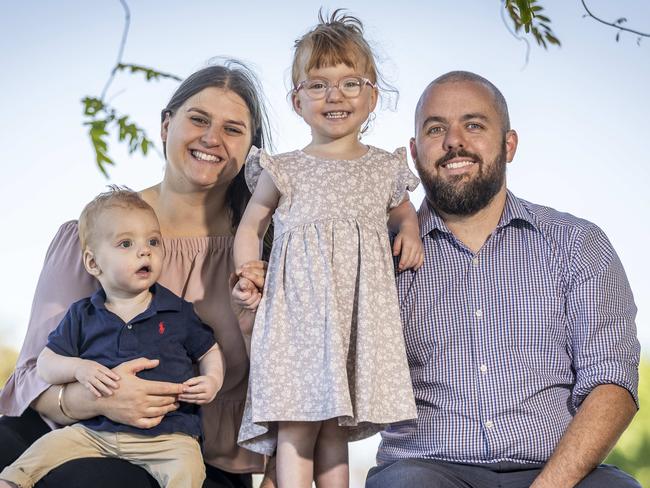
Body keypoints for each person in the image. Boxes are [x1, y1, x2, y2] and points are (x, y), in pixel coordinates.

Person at [0, 61, 272, 488]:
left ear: (252, 147)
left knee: (91, 483)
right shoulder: (95, 234)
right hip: (74, 431)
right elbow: (36, 372)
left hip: (193, 454)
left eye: (233, 129)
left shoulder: (263, 252)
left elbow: (299, 377)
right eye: (198, 119)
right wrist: (99, 400)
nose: (211, 139)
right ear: (166, 126)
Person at [365, 71, 641, 487]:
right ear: (413, 153)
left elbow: (612, 382)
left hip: (559, 471)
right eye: (436, 128)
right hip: (427, 469)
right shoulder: (376, 256)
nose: (454, 140)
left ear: (508, 145)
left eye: (473, 125)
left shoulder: (576, 243)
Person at [232, 10, 421, 488]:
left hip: (355, 314)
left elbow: (402, 212)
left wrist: (410, 232)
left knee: (337, 420)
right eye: (318, 85)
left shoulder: (383, 168)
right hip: (297, 315)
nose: (334, 96)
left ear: (373, 96)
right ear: (297, 101)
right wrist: (248, 269)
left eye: (349, 83)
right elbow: (251, 224)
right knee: (298, 419)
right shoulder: (286, 168)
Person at [0, 188, 223, 488]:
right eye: (126, 244)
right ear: (93, 264)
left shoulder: (177, 311)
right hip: (93, 433)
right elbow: (45, 363)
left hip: (167, 437)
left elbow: (209, 350)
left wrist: (212, 381)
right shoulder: (83, 314)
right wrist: (78, 368)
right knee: (40, 452)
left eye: (153, 242)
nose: (145, 251)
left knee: (189, 468)